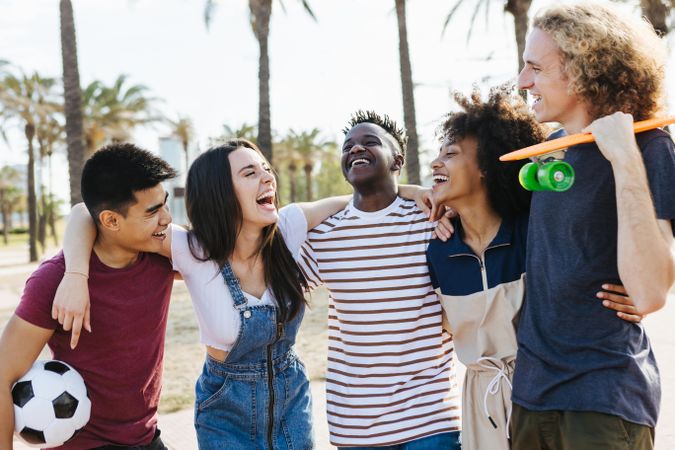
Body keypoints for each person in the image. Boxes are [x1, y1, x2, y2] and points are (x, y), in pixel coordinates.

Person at [426, 86, 642, 450]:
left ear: (486, 167)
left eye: (450, 154)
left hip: (546, 396)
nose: (435, 163)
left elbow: (593, 274)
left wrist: (633, 296)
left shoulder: (534, 230)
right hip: (481, 409)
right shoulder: (437, 250)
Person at [510, 3, 675, 449]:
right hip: (530, 397)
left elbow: (650, 292)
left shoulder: (649, 146)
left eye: (535, 68)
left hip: (603, 399)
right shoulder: (549, 149)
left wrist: (622, 155)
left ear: (582, 71)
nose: (523, 81)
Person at [295, 111, 462, 449]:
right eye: (348, 146)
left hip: (431, 418)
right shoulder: (323, 235)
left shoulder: (431, 219)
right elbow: (270, 285)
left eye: (370, 142)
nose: (356, 149)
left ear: (397, 158)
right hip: (356, 426)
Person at [0, 144, 176, 449]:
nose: (166, 218)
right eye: (152, 212)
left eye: (165, 204)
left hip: (146, 437)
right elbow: (3, 375)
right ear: (110, 221)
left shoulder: (163, 254)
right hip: (84, 443)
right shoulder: (53, 280)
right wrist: (76, 274)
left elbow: (82, 211)